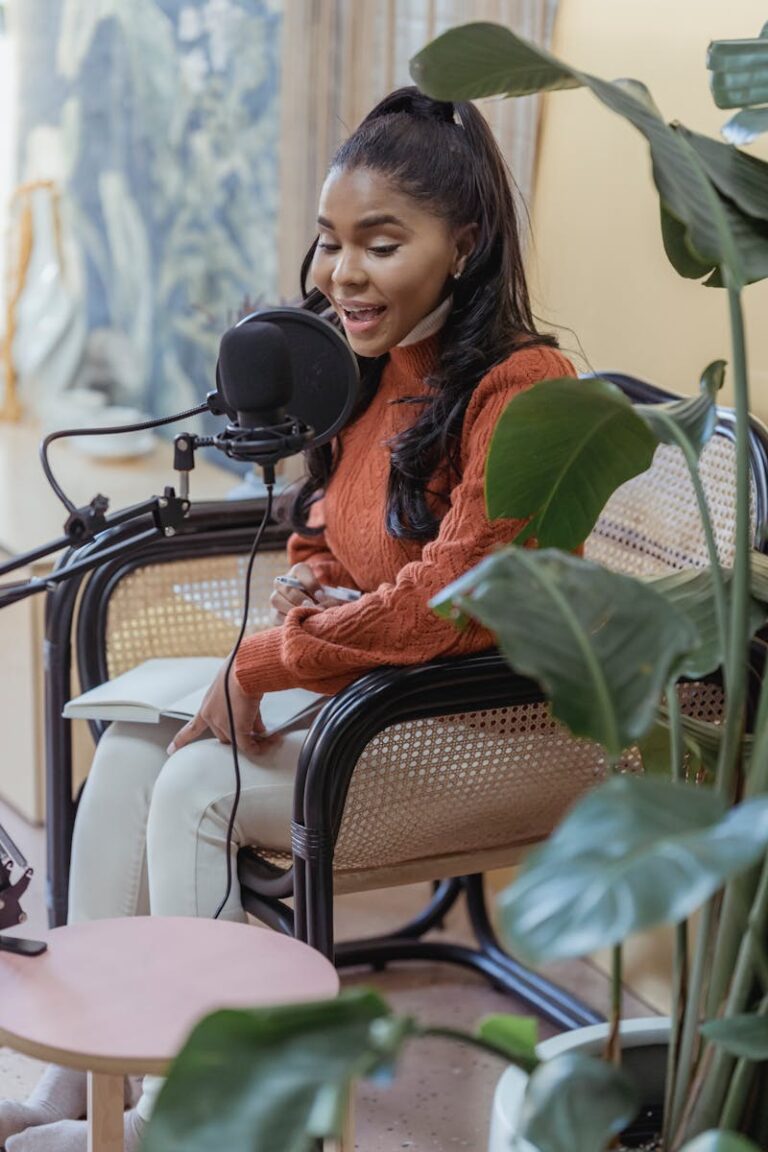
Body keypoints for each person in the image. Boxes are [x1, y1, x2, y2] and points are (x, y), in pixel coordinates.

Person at [0, 86, 576, 1151]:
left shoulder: (524, 389)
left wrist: (272, 656)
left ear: (468, 242)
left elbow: (459, 602)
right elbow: (326, 526)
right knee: (130, 759)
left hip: (479, 721)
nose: (339, 275)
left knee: (196, 785)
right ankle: (73, 1090)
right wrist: (309, 585)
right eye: (328, 243)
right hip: (372, 690)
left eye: (380, 242)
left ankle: (206, 1116)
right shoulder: (363, 372)